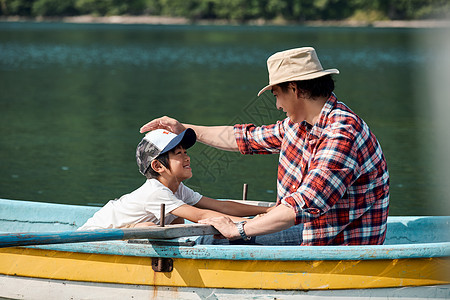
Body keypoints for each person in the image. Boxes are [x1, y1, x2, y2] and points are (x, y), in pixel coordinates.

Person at [139, 47, 390, 246]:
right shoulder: (300, 124)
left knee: (212, 240)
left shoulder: (340, 133)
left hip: (332, 239)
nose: (278, 105)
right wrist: (184, 128)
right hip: (308, 227)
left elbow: (303, 206)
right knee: (227, 229)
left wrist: (240, 229)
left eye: (276, 95)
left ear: (294, 89)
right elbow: (243, 138)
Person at [78, 128, 270, 230]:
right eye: (178, 153)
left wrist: (269, 210)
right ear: (158, 166)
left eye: (185, 151)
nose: (186, 157)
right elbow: (202, 216)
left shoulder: (178, 188)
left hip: (119, 232)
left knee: (159, 226)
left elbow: (221, 207)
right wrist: (256, 225)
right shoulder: (155, 192)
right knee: (149, 228)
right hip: (96, 236)